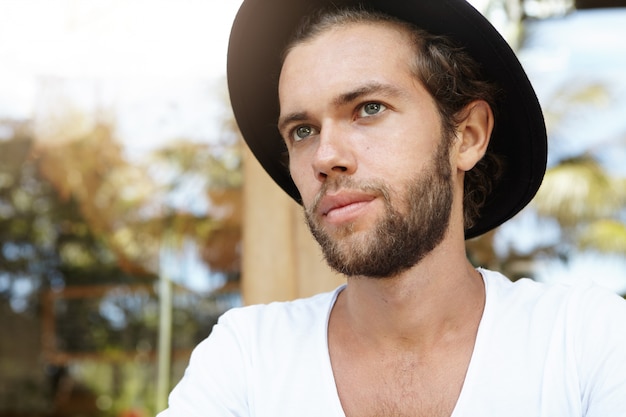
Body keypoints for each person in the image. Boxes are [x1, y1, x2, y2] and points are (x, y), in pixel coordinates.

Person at [158, 0, 626, 416]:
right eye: (302, 130)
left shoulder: (585, 341)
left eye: (369, 108)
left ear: (467, 137)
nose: (325, 156)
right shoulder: (248, 357)